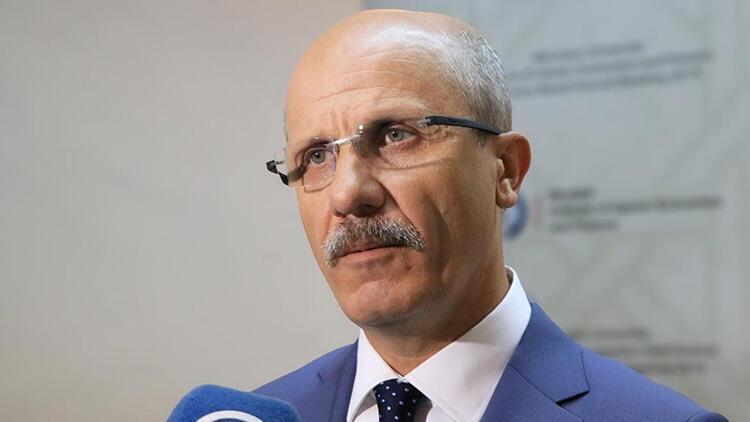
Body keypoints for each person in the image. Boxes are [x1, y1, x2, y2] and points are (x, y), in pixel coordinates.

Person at [256, 9, 726, 422]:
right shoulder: (258, 415)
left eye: (395, 135)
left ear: (506, 171)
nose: (348, 193)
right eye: (316, 156)